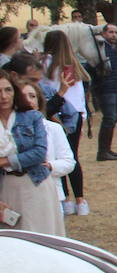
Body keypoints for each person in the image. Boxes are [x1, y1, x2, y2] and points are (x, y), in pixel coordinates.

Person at [0, 70, 60, 235]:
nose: (4, 96)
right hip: (7, 186)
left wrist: (5, 161)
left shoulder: (32, 117)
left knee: (44, 235)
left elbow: (39, 153)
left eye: (8, 90)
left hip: (35, 181)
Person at [40, 30, 89, 216]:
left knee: (58, 156)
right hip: (74, 113)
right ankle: (80, 200)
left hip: (56, 112)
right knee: (72, 156)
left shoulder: (46, 63)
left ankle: (66, 199)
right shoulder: (73, 64)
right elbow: (79, 93)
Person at [22, 80, 75, 235]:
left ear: (39, 102)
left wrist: (50, 166)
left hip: (51, 193)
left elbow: (68, 162)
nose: (28, 100)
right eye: (23, 96)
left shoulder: (53, 129)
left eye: (32, 96)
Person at [92, 23, 117, 161]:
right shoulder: (101, 47)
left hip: (113, 88)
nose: (114, 35)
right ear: (104, 33)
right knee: (109, 118)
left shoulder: (111, 48)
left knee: (113, 118)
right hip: (106, 88)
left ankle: (107, 148)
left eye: (116, 32)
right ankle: (102, 151)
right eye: (111, 32)